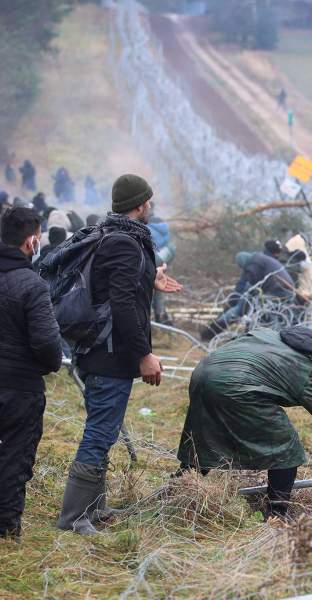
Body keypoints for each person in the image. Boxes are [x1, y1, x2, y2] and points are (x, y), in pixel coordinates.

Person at [56, 174, 181, 535]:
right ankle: (74, 517)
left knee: (105, 430)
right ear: (140, 204)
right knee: (99, 432)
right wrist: (144, 354)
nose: (151, 206)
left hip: (103, 351)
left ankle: (93, 508)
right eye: (149, 201)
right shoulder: (125, 243)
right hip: (109, 354)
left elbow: (116, 290)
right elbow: (122, 304)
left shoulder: (115, 236)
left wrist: (149, 279)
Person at [176, 322, 312, 517]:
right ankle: (277, 513)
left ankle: (179, 486)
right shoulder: (311, 369)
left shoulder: (270, 334)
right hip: (238, 387)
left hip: (203, 372)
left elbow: (237, 343)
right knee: (287, 447)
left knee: (205, 431)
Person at [0, 207, 63, 541]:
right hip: (19, 388)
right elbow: (47, 344)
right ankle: (7, 529)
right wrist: (49, 365)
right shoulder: (32, 285)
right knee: (14, 455)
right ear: (32, 241)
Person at [200, 242, 295, 340]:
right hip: (284, 290)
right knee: (257, 309)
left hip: (278, 290)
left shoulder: (254, 263)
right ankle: (251, 336)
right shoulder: (259, 258)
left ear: (244, 264)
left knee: (248, 310)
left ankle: (211, 334)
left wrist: (240, 301)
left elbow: (253, 283)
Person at [148, 214, 176, 324]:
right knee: (159, 290)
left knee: (148, 290)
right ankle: (160, 318)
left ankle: (149, 320)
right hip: (164, 258)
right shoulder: (164, 229)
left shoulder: (148, 227)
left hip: (152, 260)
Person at [284, 233, 312, 305]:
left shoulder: (304, 262)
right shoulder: (305, 259)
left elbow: (292, 268)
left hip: (304, 294)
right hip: (305, 292)